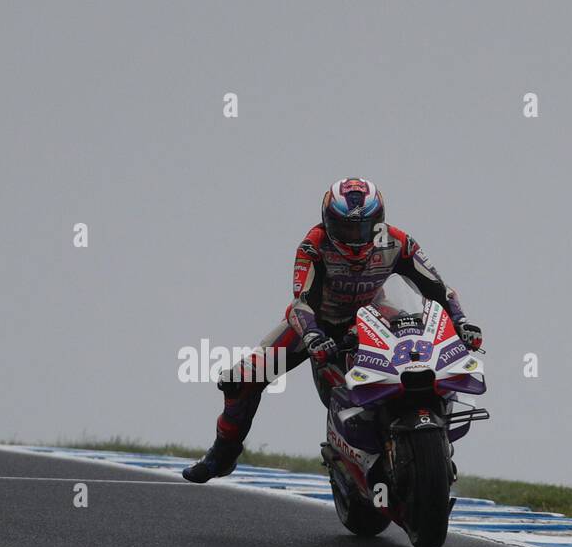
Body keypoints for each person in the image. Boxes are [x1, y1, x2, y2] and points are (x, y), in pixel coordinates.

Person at [183, 177, 484, 483]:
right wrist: (313, 335)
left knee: (422, 358)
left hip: (374, 317)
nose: (355, 236)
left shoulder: (399, 242)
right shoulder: (313, 246)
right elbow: (301, 302)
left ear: (379, 221)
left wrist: (461, 321)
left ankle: (429, 437)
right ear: (328, 221)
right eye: (345, 227)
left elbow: (439, 289)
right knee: (240, 379)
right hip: (320, 324)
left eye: (364, 227)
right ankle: (222, 455)